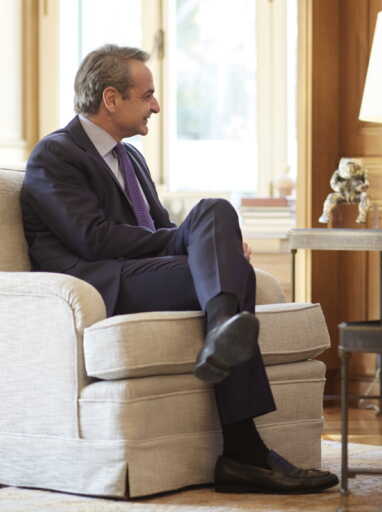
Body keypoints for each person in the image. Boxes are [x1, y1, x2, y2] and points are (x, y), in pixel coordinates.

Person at [21, 44, 338, 494]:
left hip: (144, 273)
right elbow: (93, 238)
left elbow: (163, 228)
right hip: (102, 283)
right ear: (111, 99)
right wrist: (192, 243)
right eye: (147, 95)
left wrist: (215, 249)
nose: (155, 106)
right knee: (219, 244)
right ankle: (244, 451)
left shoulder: (131, 158)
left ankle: (226, 345)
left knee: (218, 219)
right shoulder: (56, 154)